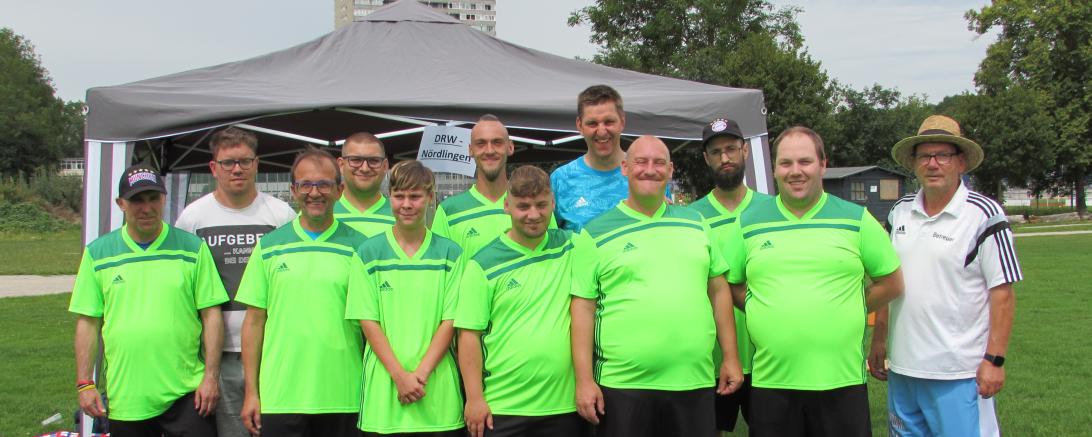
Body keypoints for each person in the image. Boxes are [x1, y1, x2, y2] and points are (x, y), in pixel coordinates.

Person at [725, 126, 904, 436]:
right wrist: (758, 308)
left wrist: (850, 306)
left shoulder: (856, 219)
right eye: (786, 163)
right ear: (775, 169)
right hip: (772, 383)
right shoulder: (748, 222)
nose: (796, 171)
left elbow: (892, 282)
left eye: (805, 162)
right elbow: (731, 284)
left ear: (823, 164)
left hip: (841, 382)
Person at [570, 136, 743, 437]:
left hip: (693, 379)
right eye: (641, 162)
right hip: (624, 386)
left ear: (670, 169)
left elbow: (718, 291)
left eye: (658, 162)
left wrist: (730, 357)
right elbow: (582, 308)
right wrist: (584, 380)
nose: (649, 169)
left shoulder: (697, 223)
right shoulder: (594, 233)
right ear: (624, 168)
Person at [870, 115, 1021, 437]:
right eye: (925, 156)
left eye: (943, 156)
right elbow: (887, 283)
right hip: (904, 369)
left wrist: (995, 360)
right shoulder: (900, 212)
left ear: (961, 162)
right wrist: (879, 341)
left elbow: (1003, 293)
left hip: (959, 373)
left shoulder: (985, 215)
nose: (933, 164)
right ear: (914, 163)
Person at [70, 165, 228, 436]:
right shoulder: (98, 253)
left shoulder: (191, 248)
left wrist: (211, 377)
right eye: (137, 200)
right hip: (128, 396)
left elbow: (211, 315)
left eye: (153, 198)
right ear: (121, 204)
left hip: (188, 393)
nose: (147, 208)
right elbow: (88, 322)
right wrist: (86, 383)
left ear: (164, 199)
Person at [236, 148, 368, 437]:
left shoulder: (361, 249)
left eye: (324, 184)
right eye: (306, 185)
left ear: (340, 190)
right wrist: (251, 393)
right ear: (293, 190)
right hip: (281, 396)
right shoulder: (269, 247)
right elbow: (254, 323)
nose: (314, 193)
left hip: (344, 395)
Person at [174, 126, 296, 437]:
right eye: (228, 162)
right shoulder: (193, 218)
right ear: (213, 168)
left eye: (244, 161)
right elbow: (184, 289)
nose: (237, 169)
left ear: (257, 164)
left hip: (273, 349)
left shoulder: (281, 215)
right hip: (221, 353)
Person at [455, 165, 590, 437]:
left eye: (541, 205)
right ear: (506, 206)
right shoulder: (482, 264)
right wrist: (474, 398)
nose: (533, 214)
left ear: (553, 203)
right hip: (503, 407)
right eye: (523, 206)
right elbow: (468, 335)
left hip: (563, 407)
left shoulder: (574, 246)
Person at [347, 160, 466, 436]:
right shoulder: (368, 253)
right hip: (385, 395)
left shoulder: (451, 253)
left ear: (430, 197)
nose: (407, 204)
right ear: (390, 198)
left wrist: (420, 375)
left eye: (415, 196)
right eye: (399, 196)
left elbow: (450, 321)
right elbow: (368, 321)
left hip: (438, 396)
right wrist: (400, 377)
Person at [685, 117, 770, 433]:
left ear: (745, 151)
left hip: (766, 354)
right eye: (717, 152)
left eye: (731, 149)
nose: (725, 158)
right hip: (711, 357)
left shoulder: (771, 210)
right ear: (707, 158)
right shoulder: (692, 217)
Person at [432, 115, 555, 257]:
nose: (489, 150)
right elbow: (441, 270)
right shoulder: (449, 211)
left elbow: (553, 258)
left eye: (497, 142)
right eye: (481, 143)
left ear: (510, 147)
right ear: (470, 150)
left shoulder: (535, 206)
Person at [550, 85, 669, 232]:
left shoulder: (647, 174)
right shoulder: (560, 180)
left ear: (622, 122)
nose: (601, 131)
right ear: (579, 125)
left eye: (609, 122)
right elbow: (550, 241)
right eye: (592, 123)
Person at [335, 132, 396, 237]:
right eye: (355, 160)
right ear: (341, 165)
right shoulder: (320, 214)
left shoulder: (402, 216)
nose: (365, 168)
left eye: (374, 161)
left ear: (385, 166)